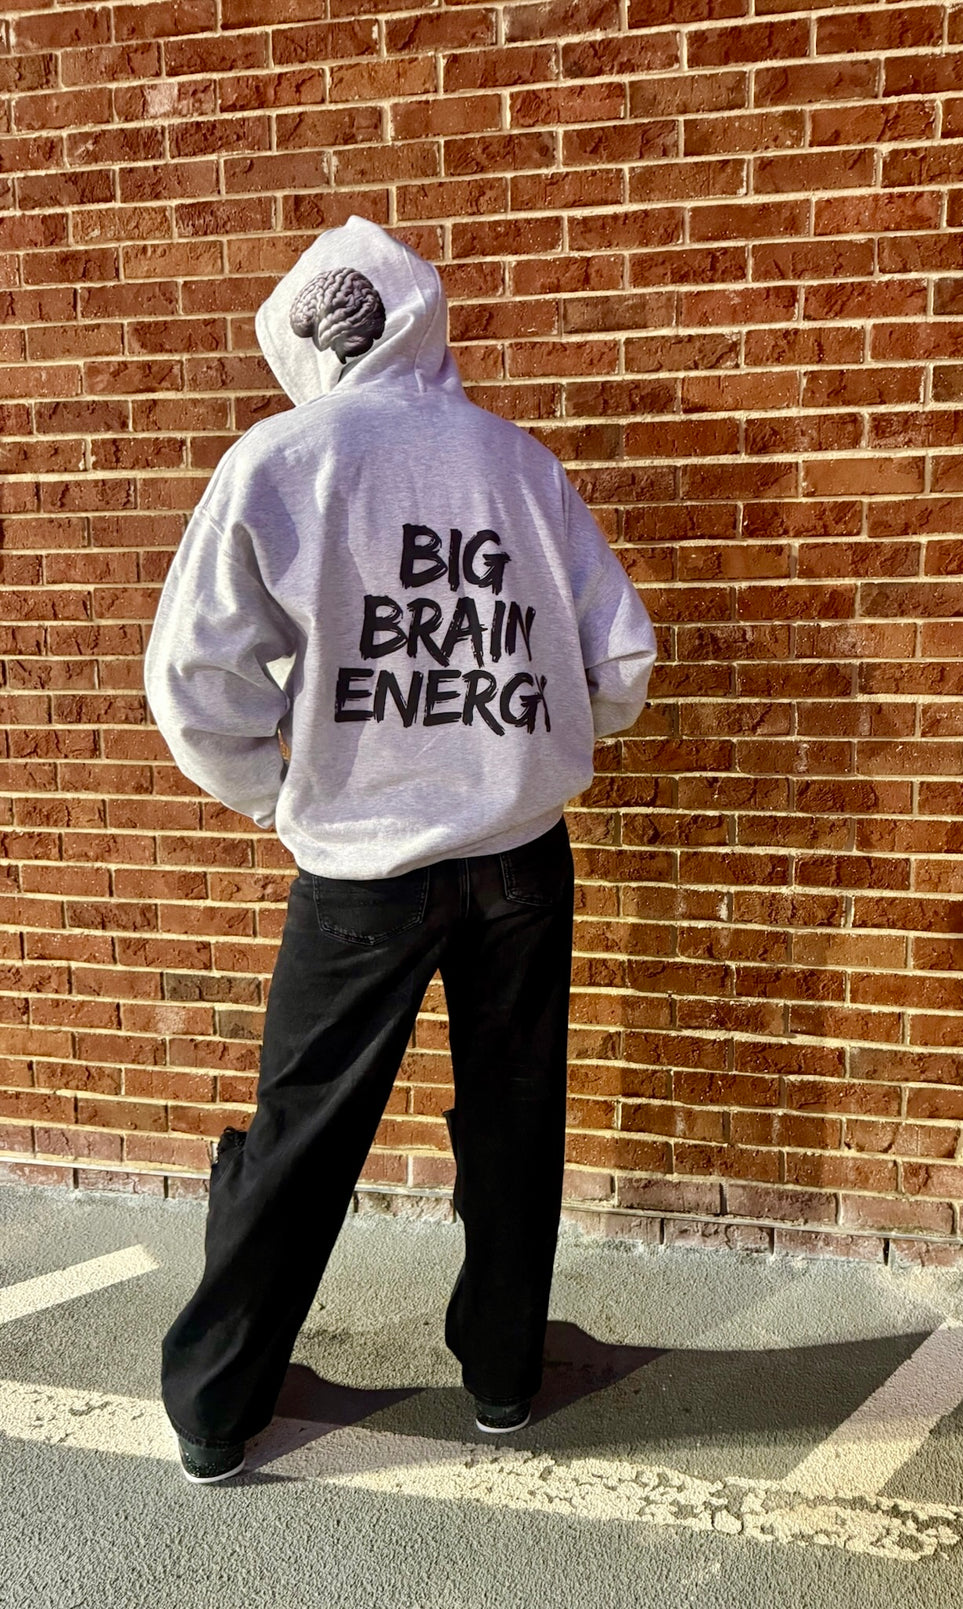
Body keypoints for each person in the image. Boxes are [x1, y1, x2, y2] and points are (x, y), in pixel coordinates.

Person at [142, 215, 657, 1484]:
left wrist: (278, 795)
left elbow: (191, 678)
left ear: (304, 335)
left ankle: (219, 1404)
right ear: (426, 318)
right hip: (522, 857)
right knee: (516, 1116)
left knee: (304, 1130)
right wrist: (521, 750)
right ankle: (502, 1375)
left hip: (360, 869)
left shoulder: (279, 461)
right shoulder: (520, 467)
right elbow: (623, 661)